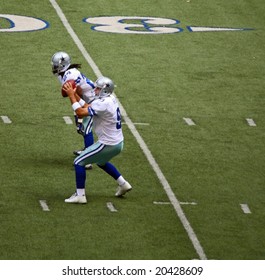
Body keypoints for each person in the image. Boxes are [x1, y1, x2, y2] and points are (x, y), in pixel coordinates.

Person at [62, 76, 132, 203]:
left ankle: (80, 195)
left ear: (105, 90)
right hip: (118, 143)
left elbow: (80, 112)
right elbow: (88, 106)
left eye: (98, 88)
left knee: (79, 161)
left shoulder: (103, 103)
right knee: (101, 162)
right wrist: (75, 95)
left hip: (107, 144)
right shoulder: (109, 99)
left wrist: (72, 95)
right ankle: (123, 184)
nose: (95, 90)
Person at [51, 51, 95, 169]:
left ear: (62, 65)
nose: (54, 68)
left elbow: (78, 91)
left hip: (91, 101)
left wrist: (79, 108)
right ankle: (87, 150)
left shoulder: (70, 74)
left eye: (56, 65)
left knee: (85, 129)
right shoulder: (65, 73)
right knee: (81, 128)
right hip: (82, 100)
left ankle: (88, 160)